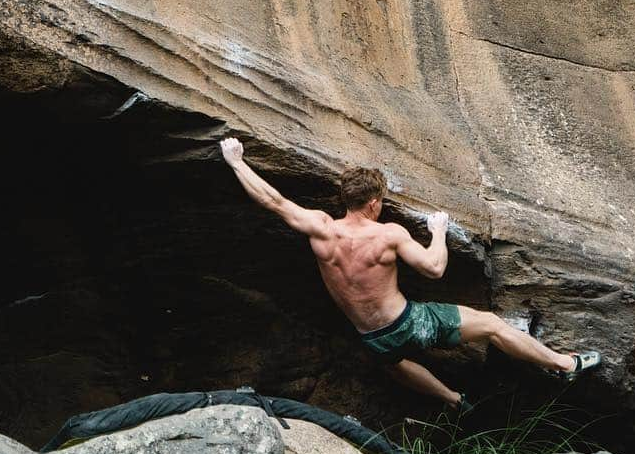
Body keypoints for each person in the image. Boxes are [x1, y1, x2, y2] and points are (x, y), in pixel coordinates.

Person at [220, 138, 601, 410]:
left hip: (370, 336)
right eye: (381, 201)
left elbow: (275, 201)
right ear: (373, 203)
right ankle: (565, 365)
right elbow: (434, 269)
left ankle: (453, 401)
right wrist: (438, 231)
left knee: (395, 364)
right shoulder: (388, 234)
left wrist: (237, 162)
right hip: (407, 323)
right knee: (492, 325)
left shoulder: (322, 229)